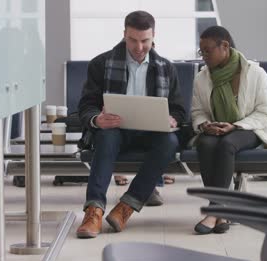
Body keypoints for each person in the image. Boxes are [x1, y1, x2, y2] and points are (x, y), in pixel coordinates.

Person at [76, 10, 185, 238]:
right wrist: (97, 119)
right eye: (133, 40)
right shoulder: (101, 63)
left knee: (170, 140)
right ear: (124, 34)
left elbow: (178, 109)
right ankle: (93, 211)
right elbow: (86, 106)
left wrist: (173, 118)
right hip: (115, 132)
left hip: (151, 134)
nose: (138, 47)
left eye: (145, 41)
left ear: (153, 36)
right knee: (105, 136)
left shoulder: (166, 68)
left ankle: (126, 206)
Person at [191, 26, 267, 234]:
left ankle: (215, 209)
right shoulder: (202, 77)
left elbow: (265, 113)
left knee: (227, 144)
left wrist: (235, 125)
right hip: (215, 129)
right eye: (202, 51)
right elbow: (197, 111)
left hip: (250, 128)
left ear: (225, 46)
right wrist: (205, 125)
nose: (204, 56)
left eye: (208, 50)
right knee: (205, 143)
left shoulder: (255, 73)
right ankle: (221, 215)